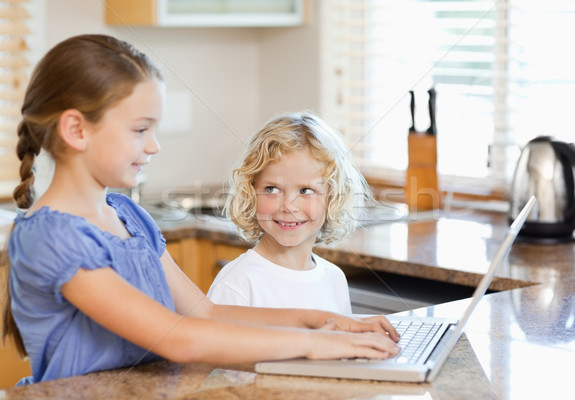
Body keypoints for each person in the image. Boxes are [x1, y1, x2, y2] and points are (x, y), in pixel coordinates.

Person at [0, 34, 399, 385]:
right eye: (141, 129)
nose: (154, 145)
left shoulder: (127, 215)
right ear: (76, 130)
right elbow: (178, 337)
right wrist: (314, 345)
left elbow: (205, 313)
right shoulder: (48, 236)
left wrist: (322, 322)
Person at [207, 111, 369, 314]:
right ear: (251, 192)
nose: (288, 206)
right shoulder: (237, 283)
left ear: (333, 197)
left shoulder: (334, 279)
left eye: (306, 191)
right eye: (272, 189)